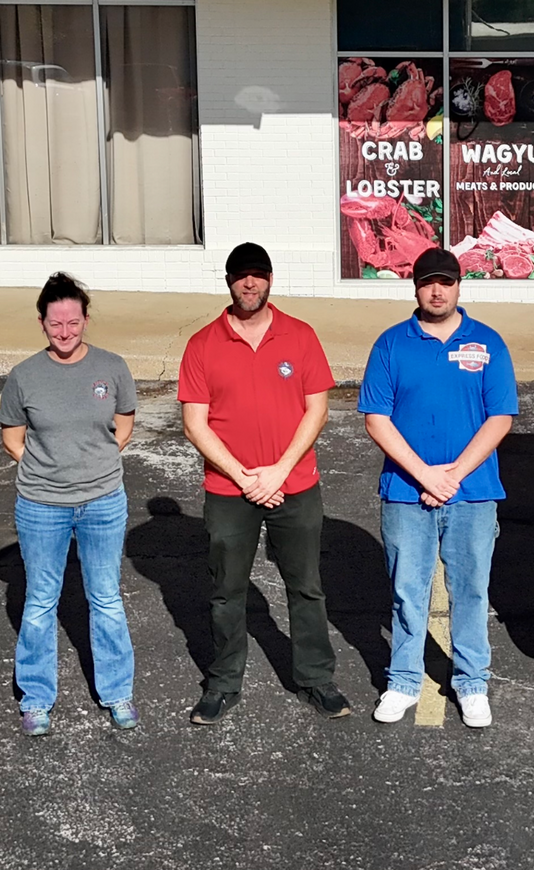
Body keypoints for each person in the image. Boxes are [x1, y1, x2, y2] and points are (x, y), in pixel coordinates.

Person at [178, 242, 349, 724]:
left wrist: (277, 471)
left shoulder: (300, 336)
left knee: (306, 587)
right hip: (231, 491)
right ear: (228, 282)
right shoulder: (202, 345)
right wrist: (244, 476)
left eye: (258, 275)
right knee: (226, 591)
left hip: (293, 484)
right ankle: (223, 683)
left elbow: (317, 410)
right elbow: (196, 423)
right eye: (241, 276)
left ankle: (316, 679)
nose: (249, 283)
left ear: (270, 280)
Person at [360, 247, 517, 728]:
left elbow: (500, 417)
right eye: (428, 282)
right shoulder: (391, 344)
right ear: (414, 286)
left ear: (458, 286)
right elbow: (376, 418)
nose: (436, 290)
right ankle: (404, 680)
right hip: (407, 494)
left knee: (471, 591)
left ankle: (471, 682)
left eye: (445, 282)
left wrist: (452, 475)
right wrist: (426, 475)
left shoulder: (487, 343)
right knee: (408, 591)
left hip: (473, 493)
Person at [0, 272, 140, 736]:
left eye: (73, 323)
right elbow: (12, 438)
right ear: (42, 323)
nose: (65, 333)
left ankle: (118, 692)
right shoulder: (24, 377)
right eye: (56, 324)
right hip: (42, 504)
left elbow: (123, 424)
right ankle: (36, 698)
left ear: (85, 319)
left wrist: (90, 464)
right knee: (40, 602)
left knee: (106, 598)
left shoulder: (112, 367)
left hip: (103, 500)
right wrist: (50, 467)